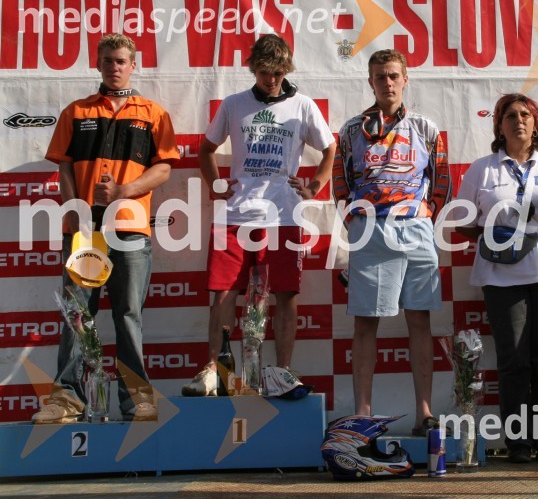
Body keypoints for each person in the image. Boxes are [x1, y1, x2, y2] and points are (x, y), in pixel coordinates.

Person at [34, 33, 180, 423]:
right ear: (97, 65)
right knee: (78, 314)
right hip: (84, 231)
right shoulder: (76, 111)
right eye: (108, 61)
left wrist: (124, 190)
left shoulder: (153, 113)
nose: (114, 67)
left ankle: (136, 401)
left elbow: (164, 167)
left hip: (130, 230)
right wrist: (74, 207)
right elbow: (63, 165)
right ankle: (67, 399)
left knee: (128, 314)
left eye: (121, 61)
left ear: (134, 65)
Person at [183, 34, 335, 396]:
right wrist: (217, 185)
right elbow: (205, 150)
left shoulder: (302, 105)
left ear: (287, 71)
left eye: (279, 73)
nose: (272, 79)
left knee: (286, 295)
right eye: (266, 72)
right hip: (235, 214)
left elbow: (330, 149)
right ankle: (214, 369)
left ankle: (282, 371)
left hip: (284, 216)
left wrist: (313, 187)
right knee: (222, 293)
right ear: (253, 68)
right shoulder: (234, 104)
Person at [455, 93, 538, 463]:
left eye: (525, 114)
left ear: (536, 123)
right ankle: (517, 442)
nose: (518, 121)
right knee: (513, 359)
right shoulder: (482, 169)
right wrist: (498, 240)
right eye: (510, 115)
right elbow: (464, 221)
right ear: (499, 125)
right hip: (500, 275)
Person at [331, 49, 451, 436]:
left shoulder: (427, 128)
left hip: (415, 230)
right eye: (380, 76)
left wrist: (427, 212)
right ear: (370, 81)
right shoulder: (351, 130)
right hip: (372, 230)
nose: (388, 83)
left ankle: (425, 414)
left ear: (406, 79)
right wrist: (355, 219)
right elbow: (339, 182)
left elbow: (443, 178)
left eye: (394, 75)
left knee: (420, 321)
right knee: (366, 323)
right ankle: (364, 415)